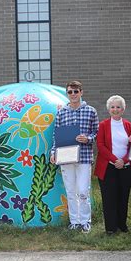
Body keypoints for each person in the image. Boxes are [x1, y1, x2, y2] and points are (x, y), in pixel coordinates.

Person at [50, 80, 99, 233]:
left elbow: (97, 132)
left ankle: (85, 221)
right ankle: (74, 221)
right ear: (67, 94)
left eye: (76, 91)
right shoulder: (61, 112)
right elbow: (56, 136)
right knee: (70, 191)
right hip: (66, 157)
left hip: (84, 156)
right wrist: (53, 152)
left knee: (83, 190)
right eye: (70, 92)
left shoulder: (91, 111)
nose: (73, 94)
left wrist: (88, 138)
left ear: (81, 92)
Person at [94, 95, 131, 235]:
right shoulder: (103, 125)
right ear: (108, 109)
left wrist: (123, 161)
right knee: (109, 198)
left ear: (123, 109)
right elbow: (100, 145)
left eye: (118, 107)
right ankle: (111, 228)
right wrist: (114, 159)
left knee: (123, 197)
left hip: (125, 167)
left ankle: (122, 225)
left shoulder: (129, 126)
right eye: (112, 107)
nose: (115, 109)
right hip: (108, 167)